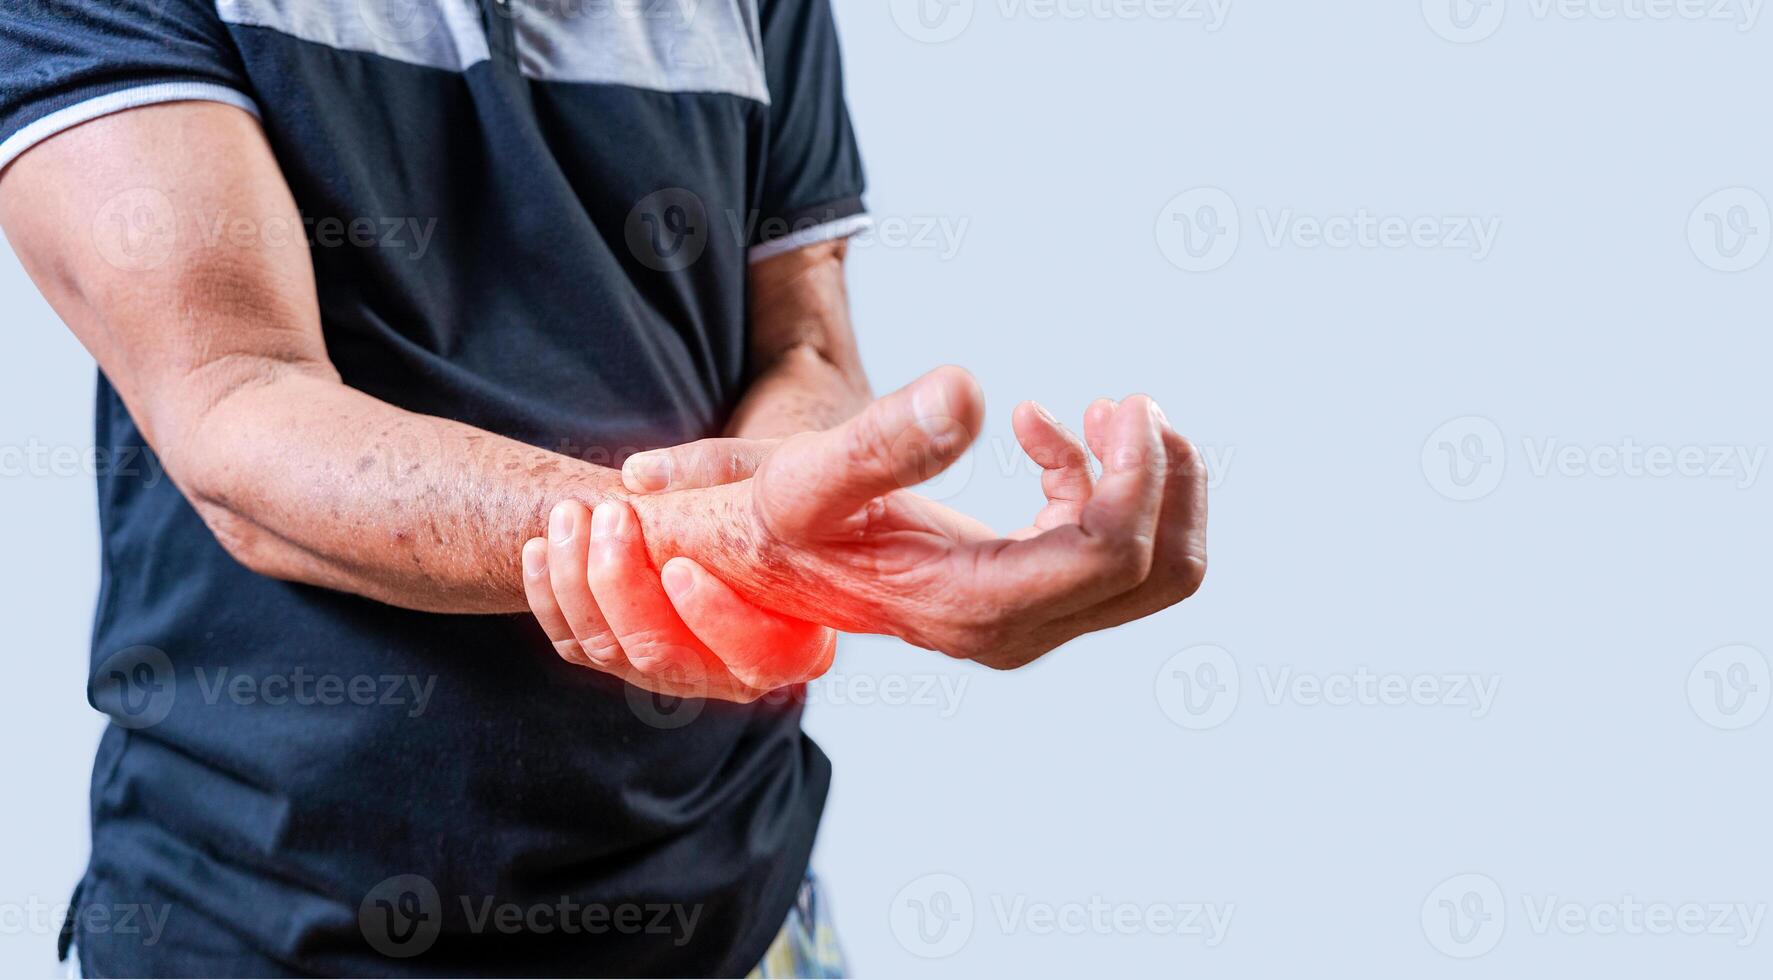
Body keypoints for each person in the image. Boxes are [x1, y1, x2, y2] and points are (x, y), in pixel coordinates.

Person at [0, 0, 1207, 974]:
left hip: (741, 919)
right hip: (265, 928)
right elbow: (236, 402)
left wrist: (821, 516)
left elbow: (806, 350)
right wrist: (706, 535)